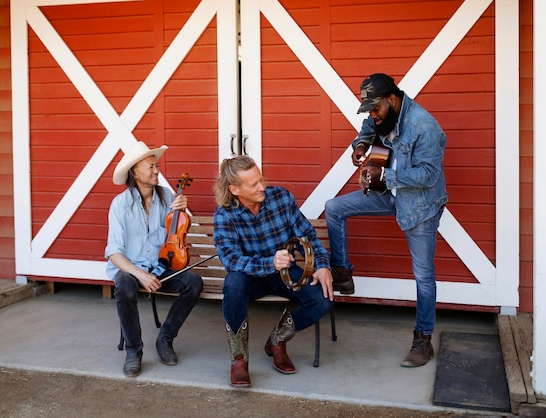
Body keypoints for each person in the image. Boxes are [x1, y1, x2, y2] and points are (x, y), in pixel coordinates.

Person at [325, 73, 448, 367]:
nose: (371, 114)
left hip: (419, 205)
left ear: (392, 100)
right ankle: (342, 272)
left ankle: (423, 340)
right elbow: (369, 127)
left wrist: (385, 175)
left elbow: (428, 176)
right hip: (388, 191)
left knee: (423, 276)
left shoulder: (425, 127)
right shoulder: (382, 115)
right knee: (333, 207)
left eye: (375, 108)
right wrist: (360, 144)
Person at [213, 155, 334, 387]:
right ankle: (239, 360)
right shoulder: (224, 214)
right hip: (251, 278)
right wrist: (269, 263)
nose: (262, 187)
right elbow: (231, 260)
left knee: (322, 300)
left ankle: (276, 341)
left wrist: (321, 265)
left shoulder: (281, 197)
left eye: (261, 179)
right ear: (234, 189)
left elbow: (306, 236)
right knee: (233, 284)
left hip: (284, 273)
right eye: (253, 184)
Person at [105, 141, 203, 377]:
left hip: (160, 268)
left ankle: (165, 339)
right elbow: (114, 252)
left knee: (193, 283)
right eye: (150, 167)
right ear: (134, 172)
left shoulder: (166, 196)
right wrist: (140, 275)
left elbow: (174, 232)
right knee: (125, 287)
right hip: (132, 270)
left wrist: (180, 210)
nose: (157, 171)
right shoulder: (119, 205)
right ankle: (133, 351)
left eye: (156, 166)